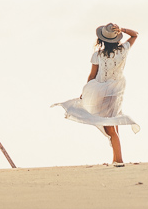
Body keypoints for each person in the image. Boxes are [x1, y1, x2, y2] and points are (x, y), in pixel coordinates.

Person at [53, 23, 140, 166]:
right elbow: (135, 34)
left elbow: (92, 76)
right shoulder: (123, 50)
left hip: (101, 91)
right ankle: (116, 158)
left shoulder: (98, 55)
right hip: (117, 91)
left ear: (102, 40)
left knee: (109, 127)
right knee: (113, 124)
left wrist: (85, 92)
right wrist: (123, 29)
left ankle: (119, 160)